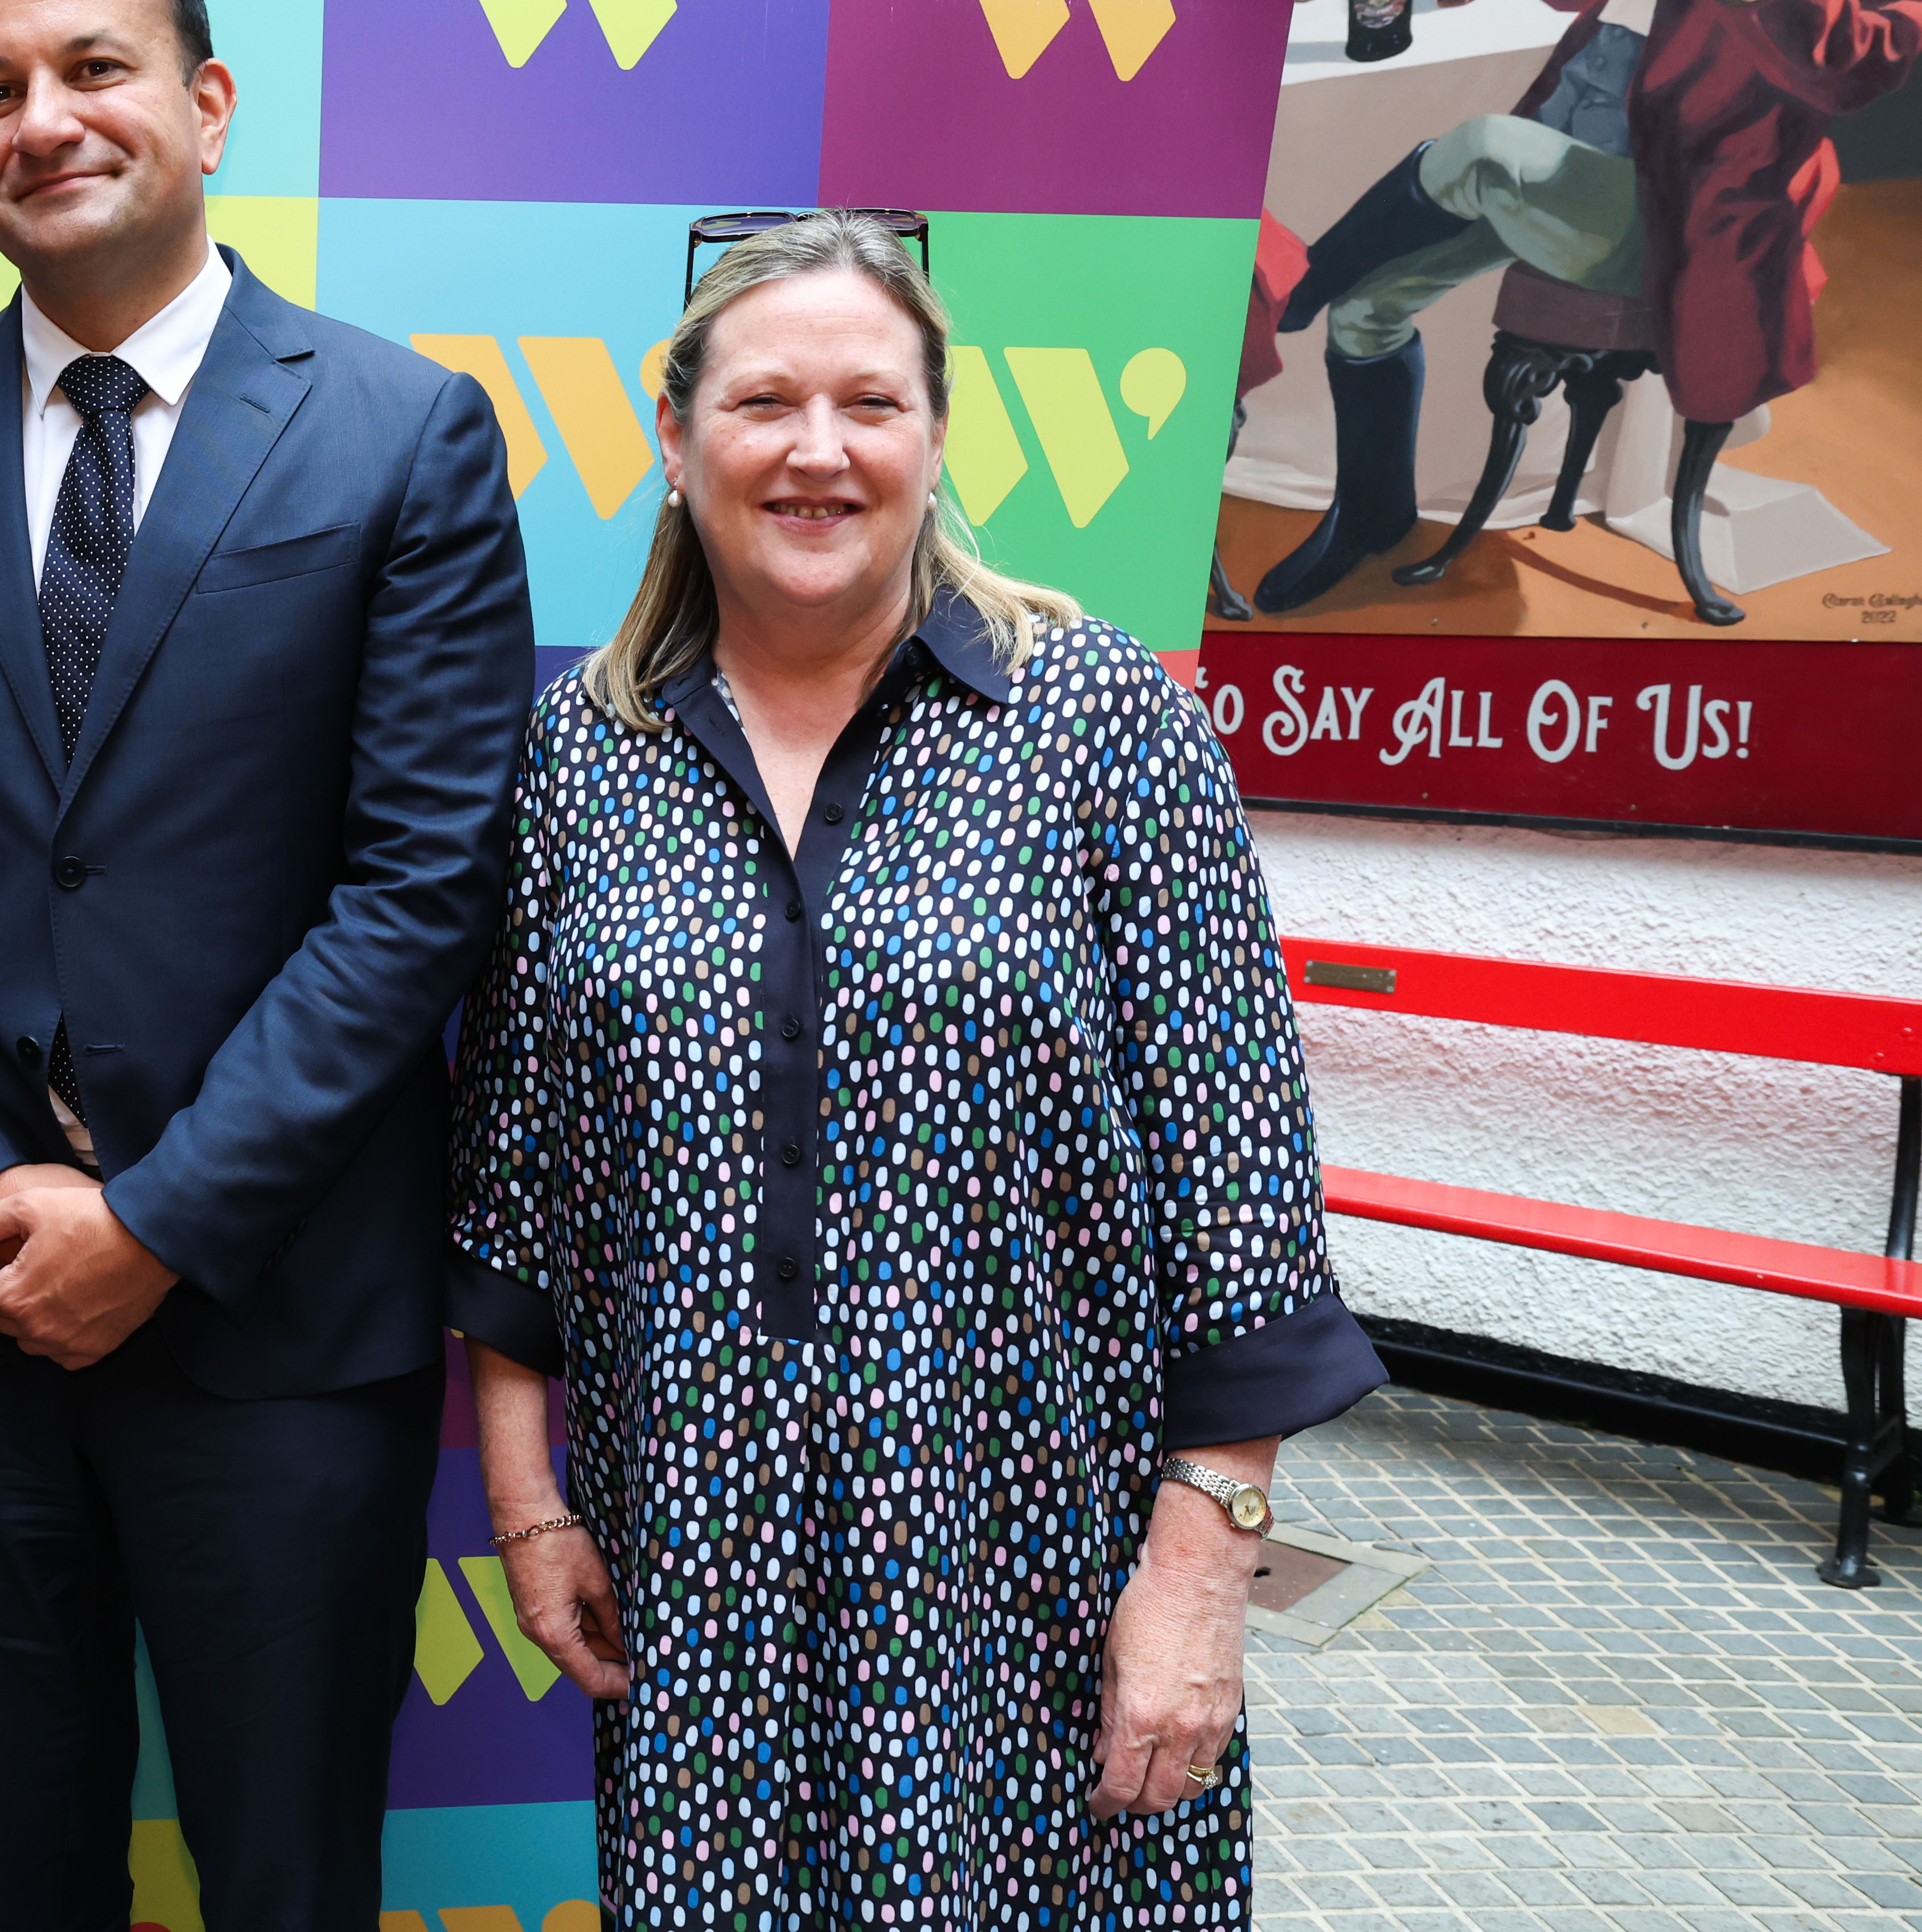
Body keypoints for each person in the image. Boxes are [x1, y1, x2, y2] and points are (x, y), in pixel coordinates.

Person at [0, 0, 531, 1932]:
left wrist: (162, 1219)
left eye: (91, 66)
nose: (42, 119)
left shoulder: (400, 431)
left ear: (205, 97)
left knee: (284, 1868)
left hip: (278, 1317)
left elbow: (420, 876)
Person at [450, 214, 1383, 1927]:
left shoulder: (1101, 719)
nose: (817, 450)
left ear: (934, 435)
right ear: (672, 440)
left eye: (868, 402)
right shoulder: (578, 753)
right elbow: (518, 1165)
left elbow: (1238, 1181)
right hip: (700, 1581)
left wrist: (1198, 1572)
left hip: (1028, 1571)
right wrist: (525, 1507)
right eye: (763, 403)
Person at [1258, 0, 1921, 614]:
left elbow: (1865, 66)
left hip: (1666, 200)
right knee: (1369, 314)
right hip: (1568, 158)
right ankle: (1371, 514)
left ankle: (1295, 284)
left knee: (1481, 149)